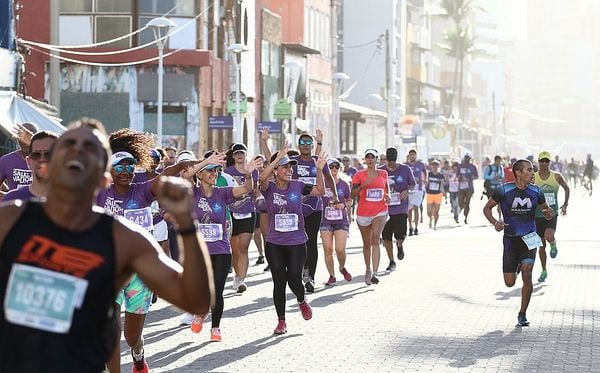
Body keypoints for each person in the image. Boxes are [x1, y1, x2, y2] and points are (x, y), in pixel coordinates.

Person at [0, 124, 214, 372]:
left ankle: (137, 354)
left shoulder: (125, 239)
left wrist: (187, 223)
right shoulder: (12, 218)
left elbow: (196, 302)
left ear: (103, 179)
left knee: (126, 334)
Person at [99, 129, 207, 373]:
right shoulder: (99, 193)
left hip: (140, 272)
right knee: (111, 330)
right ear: (109, 170)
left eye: (129, 166)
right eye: (119, 167)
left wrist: (188, 165)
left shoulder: (141, 190)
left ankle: (138, 354)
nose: (125, 171)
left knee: (131, 336)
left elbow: (165, 176)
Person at [186, 154, 260, 341]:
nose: (214, 173)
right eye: (210, 171)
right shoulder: (193, 192)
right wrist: (206, 162)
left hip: (220, 249)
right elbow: (186, 175)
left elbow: (246, 188)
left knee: (217, 290)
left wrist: (249, 175)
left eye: (216, 170)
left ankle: (215, 328)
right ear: (200, 175)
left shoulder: (222, 192)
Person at [260, 148, 327, 334]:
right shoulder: (269, 189)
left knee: (295, 278)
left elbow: (320, 191)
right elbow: (262, 179)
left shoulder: (299, 185)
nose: (289, 169)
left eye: (291, 166)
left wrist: (319, 170)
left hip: (297, 241)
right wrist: (276, 159)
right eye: (285, 166)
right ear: (275, 170)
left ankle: (301, 300)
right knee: (279, 282)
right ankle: (281, 321)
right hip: (275, 243)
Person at [483, 159, 554, 327]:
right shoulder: (504, 190)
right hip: (510, 240)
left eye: (532, 170)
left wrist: (548, 213)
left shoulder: (536, 191)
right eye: (529, 170)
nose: (532, 173)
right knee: (509, 283)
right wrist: (495, 223)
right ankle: (516, 266)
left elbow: (545, 210)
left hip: (530, 237)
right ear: (518, 173)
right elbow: (487, 208)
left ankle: (522, 313)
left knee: (528, 274)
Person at [290, 133, 338, 293]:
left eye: (308, 143)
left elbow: (329, 178)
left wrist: (336, 195)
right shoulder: (293, 161)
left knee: (311, 242)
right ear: (298, 145)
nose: (305, 145)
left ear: (312, 145)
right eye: (302, 143)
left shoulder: (317, 161)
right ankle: (301, 270)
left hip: (315, 207)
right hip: (296, 209)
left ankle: (311, 277)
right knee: (298, 242)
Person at [224, 143, 259, 294]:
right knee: (235, 249)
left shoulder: (253, 171)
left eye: (242, 153)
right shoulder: (227, 172)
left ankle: (241, 280)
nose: (239, 155)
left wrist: (259, 197)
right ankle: (237, 275)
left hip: (248, 212)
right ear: (233, 156)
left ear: (245, 154)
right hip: (231, 213)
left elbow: (255, 189)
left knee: (244, 247)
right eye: (236, 153)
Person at [351, 148, 389, 285]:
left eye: (372, 157)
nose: (370, 160)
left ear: (377, 159)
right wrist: (362, 186)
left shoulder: (383, 173)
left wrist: (388, 195)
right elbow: (352, 195)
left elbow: (386, 187)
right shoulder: (359, 175)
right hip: (363, 213)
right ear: (365, 160)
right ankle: (368, 269)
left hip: (380, 210)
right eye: (367, 157)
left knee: (375, 239)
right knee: (367, 244)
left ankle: (375, 272)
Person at [534, 151, 570, 282]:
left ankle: (553, 243)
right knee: (541, 246)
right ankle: (544, 270)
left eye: (546, 161)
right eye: (541, 161)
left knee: (548, 236)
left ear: (550, 162)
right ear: (538, 162)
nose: (544, 163)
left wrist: (565, 204)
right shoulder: (533, 177)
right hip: (537, 215)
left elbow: (566, 188)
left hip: (551, 213)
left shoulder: (556, 176)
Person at [380, 147, 415, 271]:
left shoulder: (405, 169)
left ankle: (399, 246)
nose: (391, 165)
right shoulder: (381, 171)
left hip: (400, 207)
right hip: (384, 209)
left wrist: (407, 190)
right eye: (389, 163)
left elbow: (413, 184)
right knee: (386, 237)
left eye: (393, 162)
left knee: (400, 236)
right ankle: (391, 261)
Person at [320, 158, 353, 285]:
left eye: (336, 167)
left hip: (341, 220)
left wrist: (343, 206)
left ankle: (342, 267)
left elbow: (349, 200)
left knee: (340, 249)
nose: (334, 169)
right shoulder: (321, 183)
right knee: (328, 249)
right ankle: (332, 276)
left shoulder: (344, 184)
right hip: (325, 220)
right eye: (331, 167)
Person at [3, 131, 59, 202]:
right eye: (36, 155)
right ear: (28, 161)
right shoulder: (11, 199)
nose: (42, 159)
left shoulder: (72, 199)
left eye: (48, 154)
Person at [0, 122, 39, 196]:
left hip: (40, 206)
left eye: (28, 136)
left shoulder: (45, 160)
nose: (24, 141)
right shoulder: (6, 161)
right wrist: (8, 196)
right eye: (21, 135)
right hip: (15, 206)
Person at [405, 149, 426, 236]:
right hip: (409, 189)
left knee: (416, 207)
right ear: (409, 156)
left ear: (416, 156)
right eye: (411, 155)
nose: (412, 156)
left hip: (418, 189)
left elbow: (425, 172)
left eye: (414, 154)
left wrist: (425, 179)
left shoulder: (420, 164)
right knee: (409, 210)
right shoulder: (405, 165)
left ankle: (416, 227)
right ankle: (410, 227)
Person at [457, 153, 478, 224]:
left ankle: (466, 217)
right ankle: (461, 207)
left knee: (467, 203)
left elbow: (476, 176)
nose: (467, 159)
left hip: (469, 187)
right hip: (461, 187)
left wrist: (469, 178)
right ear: (464, 158)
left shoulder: (472, 166)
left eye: (468, 158)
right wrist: (460, 177)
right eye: (466, 158)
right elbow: (457, 175)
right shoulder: (460, 166)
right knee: (460, 202)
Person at [425, 160, 444, 230]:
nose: (435, 166)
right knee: (429, 212)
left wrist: (444, 191)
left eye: (436, 165)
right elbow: (425, 182)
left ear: (438, 166)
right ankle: (430, 219)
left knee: (436, 211)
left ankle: (435, 225)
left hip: (438, 194)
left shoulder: (440, 175)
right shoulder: (429, 174)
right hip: (430, 194)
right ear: (431, 166)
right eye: (433, 165)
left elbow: (442, 184)